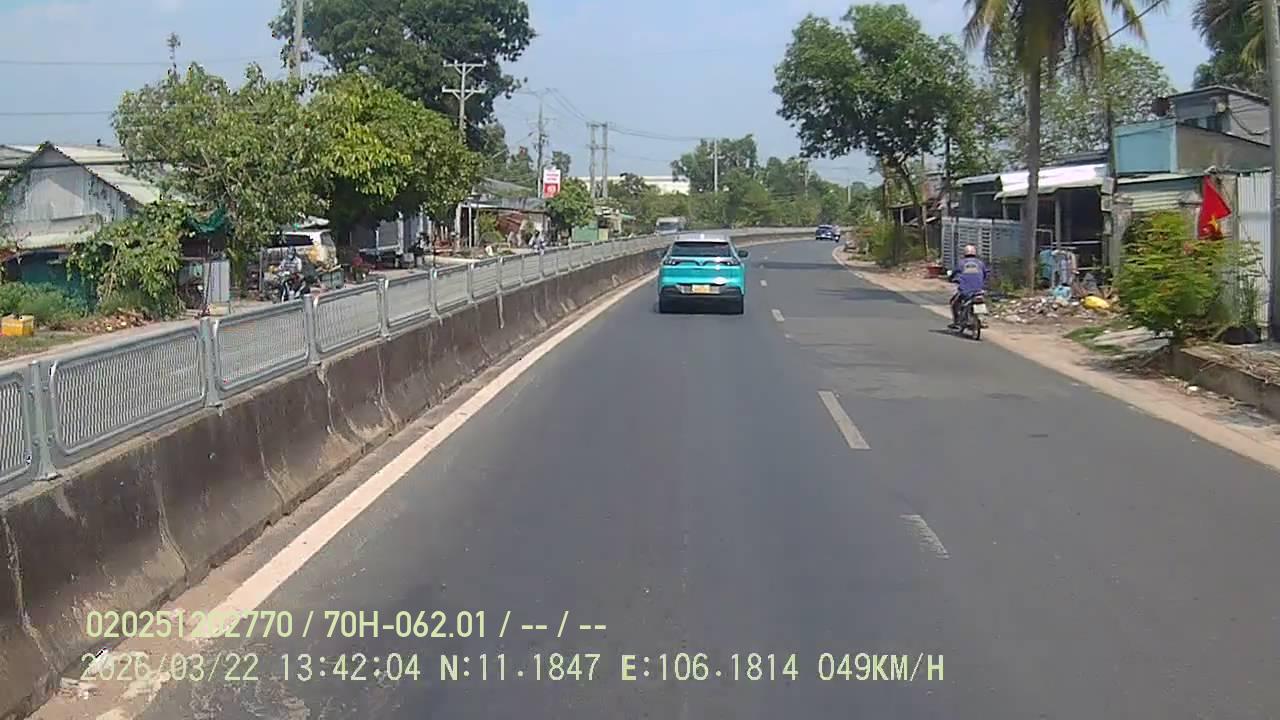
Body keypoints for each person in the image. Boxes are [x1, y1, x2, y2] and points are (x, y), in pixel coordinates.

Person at [949, 244, 988, 329]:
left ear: (964, 253)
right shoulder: (980, 263)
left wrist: (951, 278)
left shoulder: (961, 263)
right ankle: (982, 320)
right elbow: (985, 274)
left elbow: (954, 274)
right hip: (979, 291)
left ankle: (956, 321)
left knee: (954, 303)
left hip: (965, 291)